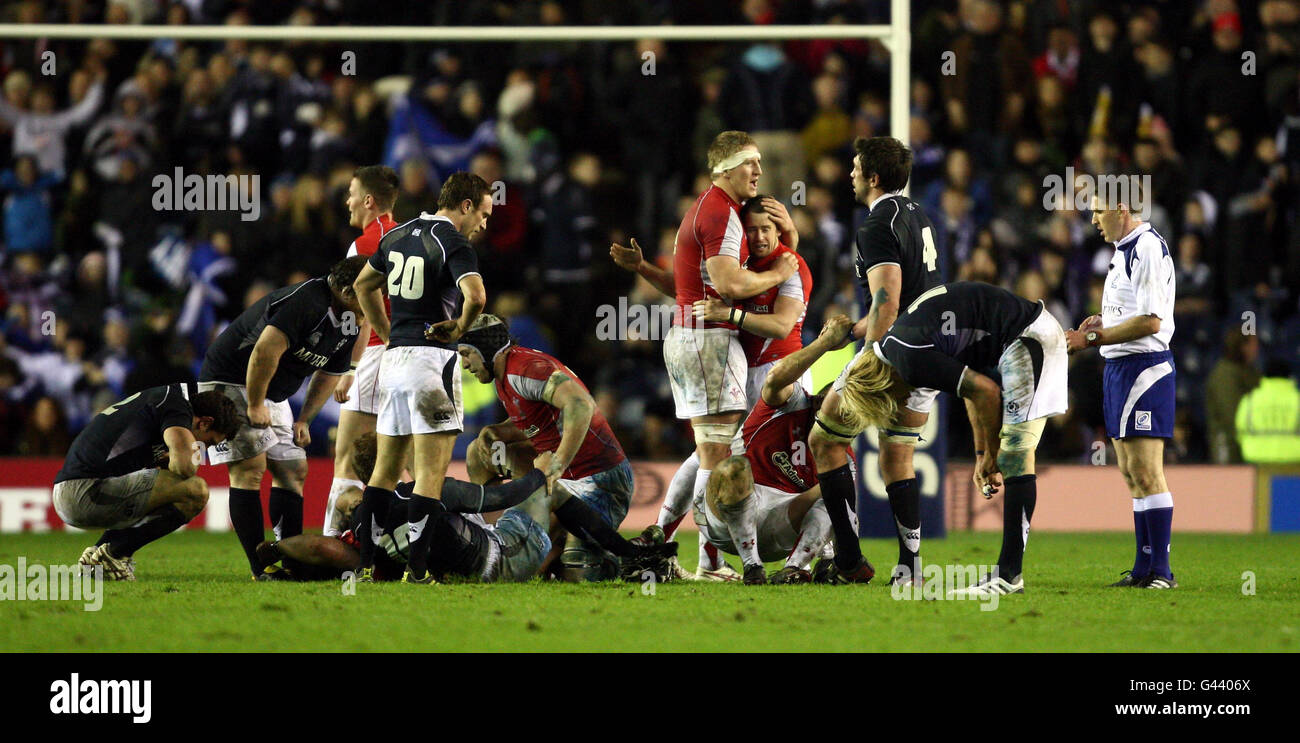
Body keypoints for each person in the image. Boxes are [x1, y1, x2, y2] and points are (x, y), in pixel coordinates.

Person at [608, 131, 798, 579]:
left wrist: (642, 270)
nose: (759, 171)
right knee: (718, 456)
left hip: (697, 340)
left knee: (709, 452)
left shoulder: (708, 210)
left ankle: (666, 538)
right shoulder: (720, 214)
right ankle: (706, 558)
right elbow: (730, 286)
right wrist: (779, 272)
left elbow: (687, 289)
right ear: (725, 169)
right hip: (707, 343)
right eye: (750, 163)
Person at [837, 281, 1068, 595]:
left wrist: (991, 456)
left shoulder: (911, 360)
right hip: (1026, 334)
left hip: (1027, 338)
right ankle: (1008, 574)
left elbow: (987, 393)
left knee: (1014, 455)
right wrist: (980, 453)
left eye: (888, 403)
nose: (900, 406)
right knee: (1014, 454)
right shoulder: (895, 346)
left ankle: (1009, 576)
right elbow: (973, 387)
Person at [255, 433, 675, 583]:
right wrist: (540, 473)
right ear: (398, 459)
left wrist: (280, 549)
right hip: (504, 553)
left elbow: (327, 550)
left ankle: (585, 559)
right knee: (554, 494)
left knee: (489, 465)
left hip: (467, 565)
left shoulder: (365, 520)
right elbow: (498, 499)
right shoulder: (425, 489)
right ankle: (631, 556)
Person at [807, 136, 943, 585]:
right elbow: (908, 298)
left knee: (824, 441)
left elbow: (888, 302)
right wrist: (861, 325)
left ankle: (848, 561)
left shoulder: (874, 224)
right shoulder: (919, 214)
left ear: (873, 177)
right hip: (928, 348)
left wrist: (867, 354)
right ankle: (910, 569)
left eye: (855, 166)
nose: (849, 173)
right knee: (897, 455)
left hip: (893, 352)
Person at [351, 172, 490, 584]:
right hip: (432, 361)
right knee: (430, 473)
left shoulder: (398, 234)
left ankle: (364, 565)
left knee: (384, 470)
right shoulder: (454, 242)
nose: (484, 223)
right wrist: (461, 327)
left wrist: (388, 331)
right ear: (465, 206)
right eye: (483, 213)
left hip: (393, 361)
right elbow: (477, 297)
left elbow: (363, 284)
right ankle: (417, 569)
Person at [198, 256, 367, 578]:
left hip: (270, 391)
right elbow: (265, 351)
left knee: (293, 470)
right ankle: (259, 567)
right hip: (231, 379)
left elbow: (329, 371)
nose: (378, 298)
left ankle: (291, 560)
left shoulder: (352, 319)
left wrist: (303, 419)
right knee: (249, 468)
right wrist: (255, 403)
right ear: (347, 290)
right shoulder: (306, 301)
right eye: (372, 290)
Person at [458, 314, 634, 581]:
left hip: (598, 478)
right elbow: (538, 420)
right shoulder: (506, 372)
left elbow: (580, 404)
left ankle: (638, 558)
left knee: (578, 574)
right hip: (561, 478)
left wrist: (559, 463)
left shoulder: (526, 369)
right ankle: (493, 539)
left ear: (486, 348)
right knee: (478, 453)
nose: (465, 363)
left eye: (467, 353)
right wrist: (498, 431)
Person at [1066, 190, 1178, 589]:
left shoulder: (1145, 247)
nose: (1094, 219)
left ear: (1122, 208)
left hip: (1145, 368)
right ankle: (1143, 569)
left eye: (1099, 210)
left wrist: (1094, 338)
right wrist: (1106, 319)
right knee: (1131, 473)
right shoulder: (1123, 250)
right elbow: (1133, 312)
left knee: (1148, 471)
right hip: (1119, 367)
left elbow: (1150, 321)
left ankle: (1162, 571)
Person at [700, 316, 855, 585]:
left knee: (836, 488)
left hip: (778, 531)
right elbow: (775, 379)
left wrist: (843, 560)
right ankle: (751, 566)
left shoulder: (844, 457)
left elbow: (845, 518)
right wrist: (825, 343)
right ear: (819, 401)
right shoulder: (792, 402)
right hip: (725, 518)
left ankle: (795, 568)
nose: (837, 424)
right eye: (833, 413)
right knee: (733, 468)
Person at [60, 384, 240, 580]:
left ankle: (97, 554)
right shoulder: (177, 407)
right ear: (205, 423)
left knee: (163, 485)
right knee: (196, 491)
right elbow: (186, 467)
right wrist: (184, 454)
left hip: (76, 488)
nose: (204, 447)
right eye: (209, 442)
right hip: (84, 491)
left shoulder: (164, 401)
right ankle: (114, 554)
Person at [324, 165, 400, 536]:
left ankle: (331, 547)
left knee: (347, 462)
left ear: (369, 201)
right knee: (404, 462)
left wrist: (350, 367)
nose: (347, 201)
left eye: (352, 193)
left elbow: (361, 311)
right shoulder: (408, 237)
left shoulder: (365, 245)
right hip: (413, 356)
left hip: (374, 355)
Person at [1235, 359, 1300, 464]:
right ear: (1290, 377)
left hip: (1255, 457)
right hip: (1294, 459)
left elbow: (1240, 431)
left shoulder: (1250, 400)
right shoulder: (1297, 400)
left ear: (1264, 377)